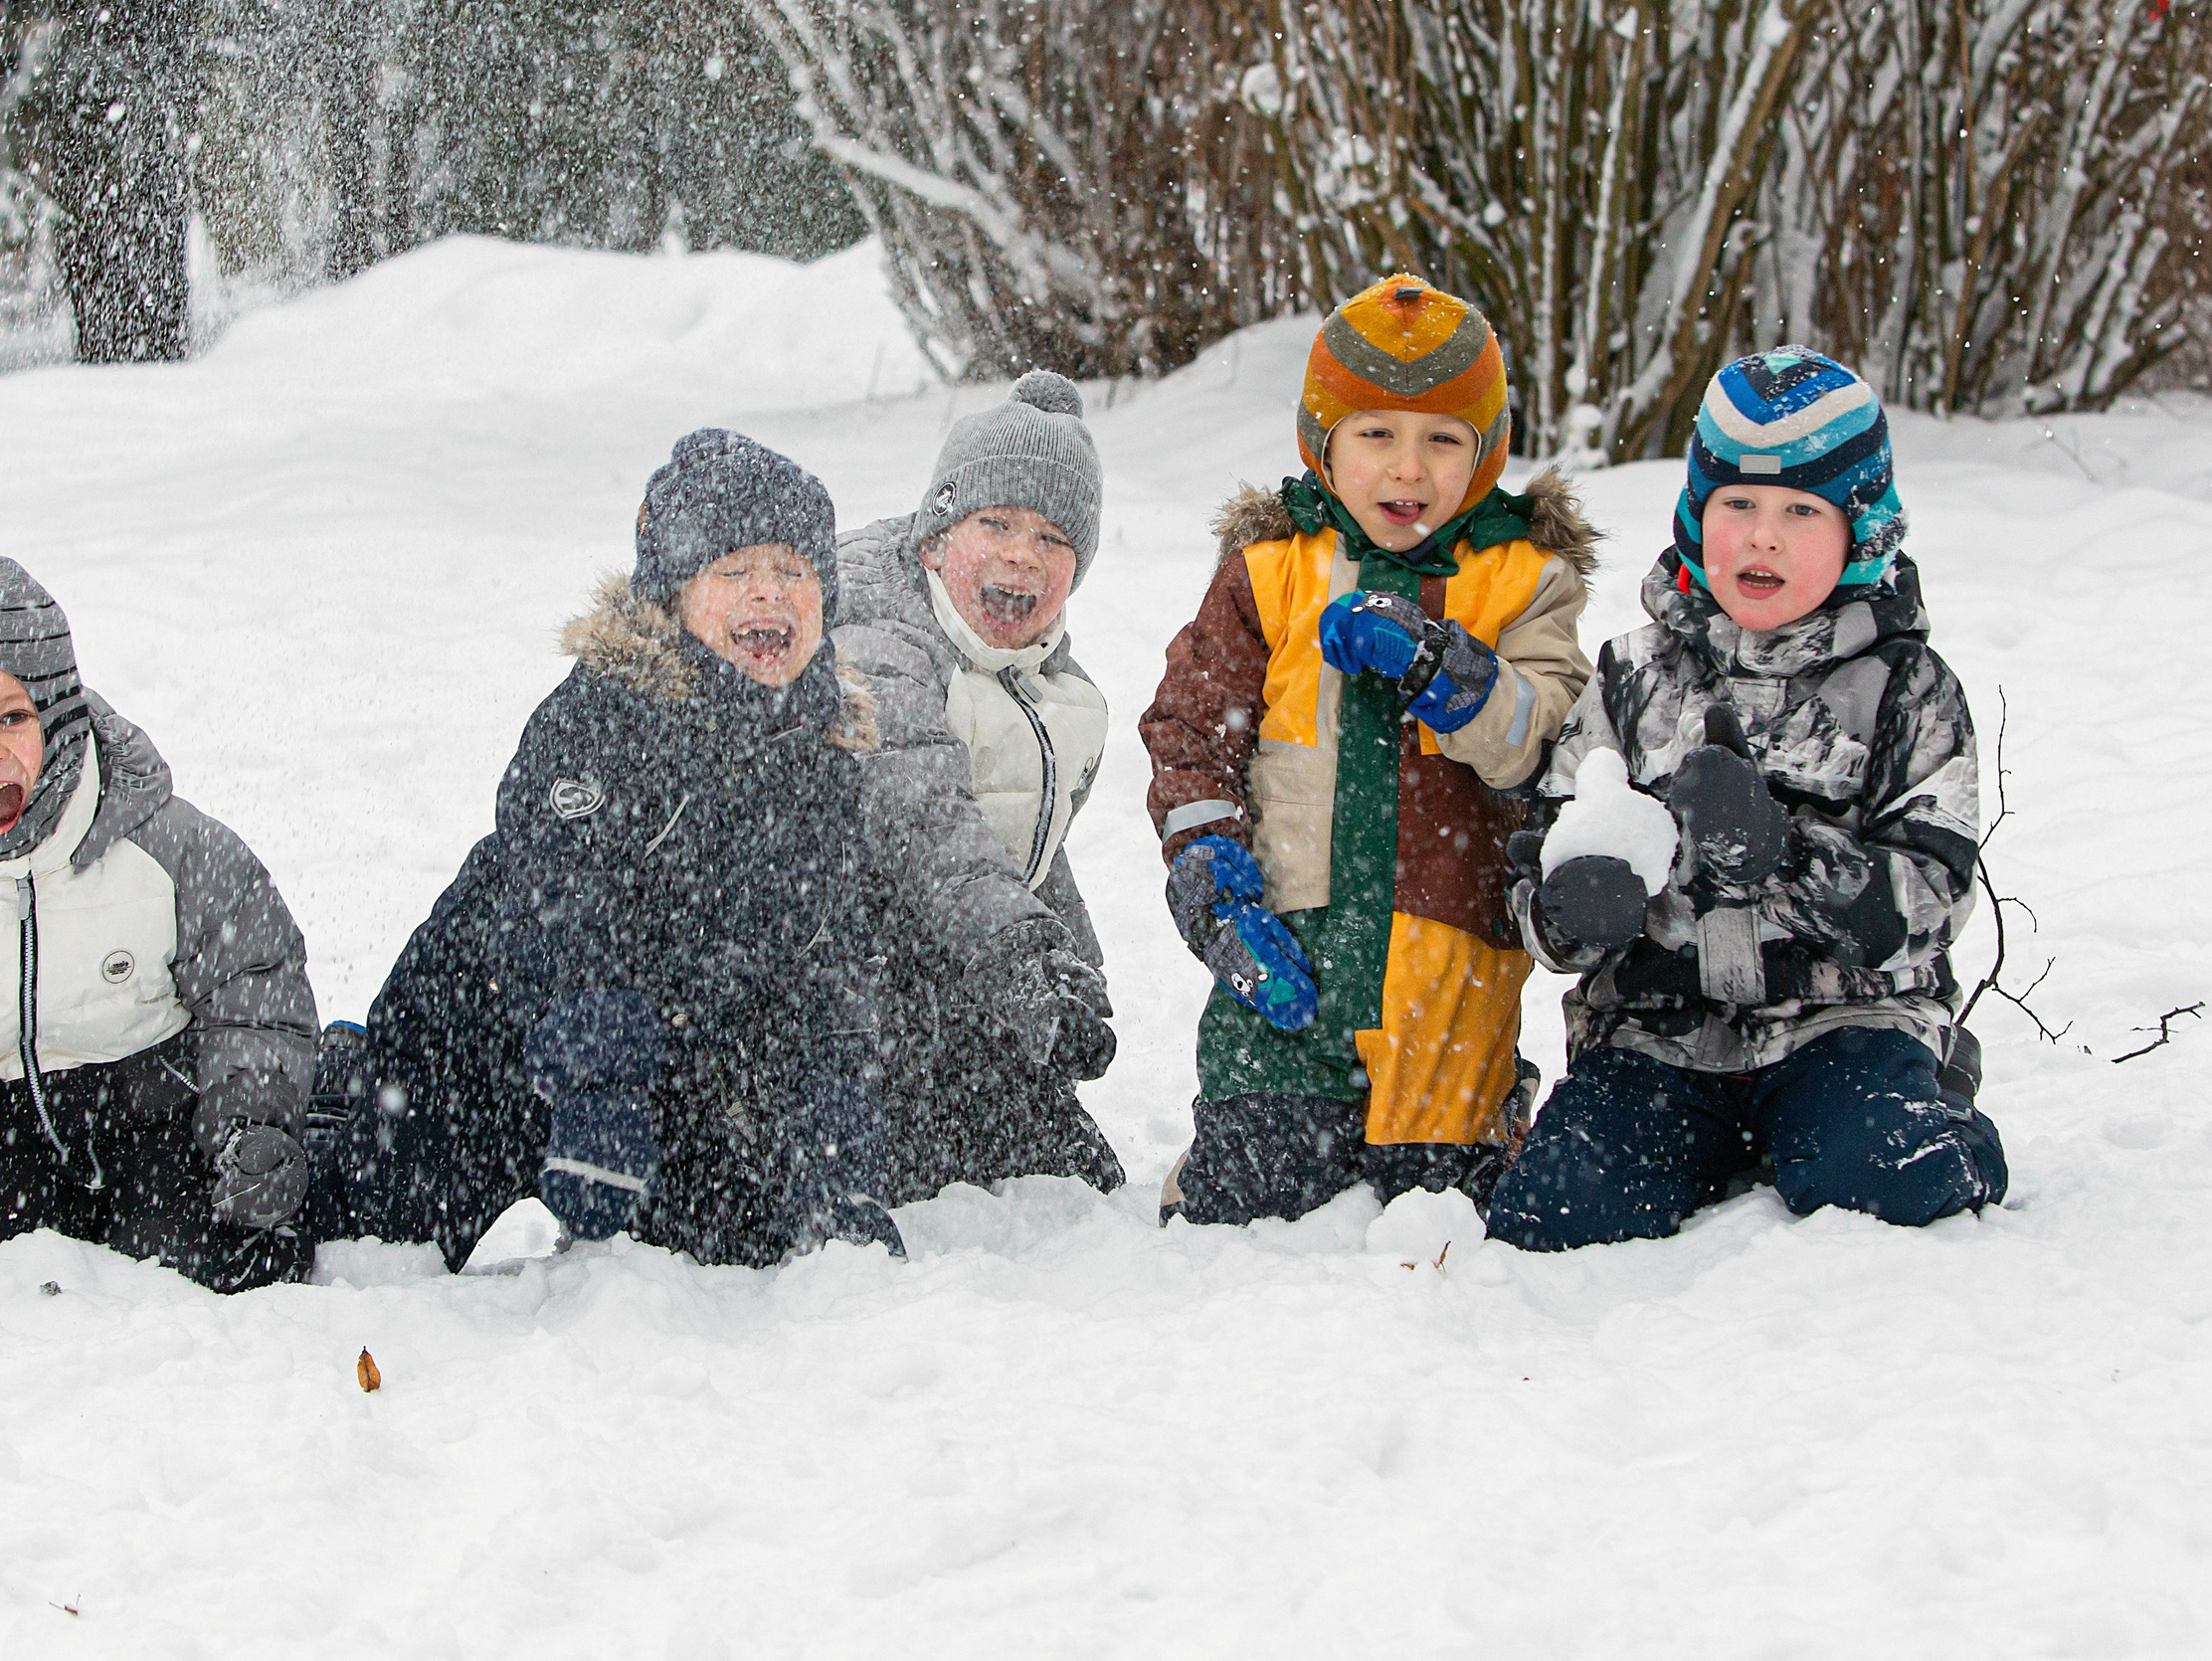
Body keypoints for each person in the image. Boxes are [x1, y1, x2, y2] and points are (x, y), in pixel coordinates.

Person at [307, 430, 902, 1270]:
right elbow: (561, 914)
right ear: (672, 595)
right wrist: (596, 1086)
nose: (766, 596)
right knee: (366, 1237)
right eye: (733, 572)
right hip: (485, 1037)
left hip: (666, 1056)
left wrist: (835, 1161)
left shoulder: (824, 759)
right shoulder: (603, 719)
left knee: (739, 1248)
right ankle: (346, 1087)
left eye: (794, 573)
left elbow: (829, 968)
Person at [1487, 346, 2008, 1251]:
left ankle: (1931, 1096)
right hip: (1658, 1037)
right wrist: (1570, 909)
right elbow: (1540, 858)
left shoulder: (1907, 688)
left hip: (1844, 1022)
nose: (1763, 535)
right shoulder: (1632, 676)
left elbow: (1930, 900)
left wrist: (1788, 855)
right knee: (1555, 1210)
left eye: (1801, 510)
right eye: (1738, 504)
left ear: (1862, 530)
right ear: (1698, 515)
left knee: (1886, 1176)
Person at [1140, 273, 1597, 1224]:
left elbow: (1548, 740)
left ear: (1487, 450)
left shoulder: (1521, 581)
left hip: (1448, 976)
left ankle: (1492, 1111)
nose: (1408, 470)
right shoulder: (1269, 575)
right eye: (1375, 434)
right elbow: (1190, 730)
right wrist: (1213, 875)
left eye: (1442, 439)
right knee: (1249, 1197)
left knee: (1443, 1200)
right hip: (1288, 958)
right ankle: (1235, 1134)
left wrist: (1454, 672)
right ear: (1323, 443)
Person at [0, 545, 318, 1296]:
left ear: (58, 715)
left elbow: (254, 984)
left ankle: (305, 1121)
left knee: (221, 1258)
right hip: (0, 1128)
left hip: (158, 1113)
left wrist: (247, 1122)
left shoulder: (168, 846)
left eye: (9, 717)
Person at [832, 370, 1126, 1203]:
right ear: (933, 539)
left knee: (1080, 1188)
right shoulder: (879, 632)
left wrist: (1070, 958)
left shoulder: (1038, 677)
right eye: (993, 522)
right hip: (854, 984)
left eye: (1052, 538)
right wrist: (1024, 958)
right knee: (916, 1177)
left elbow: (1023, 843)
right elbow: (929, 825)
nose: (1019, 553)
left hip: (963, 974)